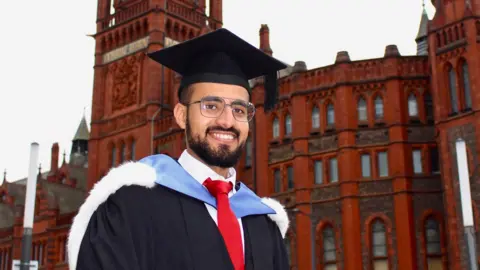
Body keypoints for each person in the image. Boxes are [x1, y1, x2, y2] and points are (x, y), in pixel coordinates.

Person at [67, 28, 290, 270]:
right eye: (211, 106)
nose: (227, 121)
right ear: (182, 115)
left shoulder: (263, 222)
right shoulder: (130, 205)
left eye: (238, 110)